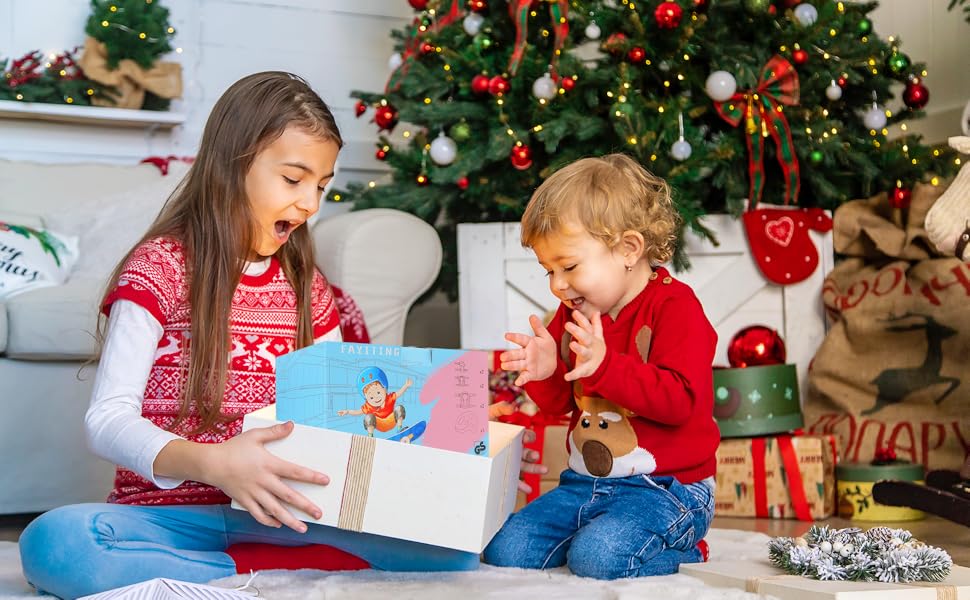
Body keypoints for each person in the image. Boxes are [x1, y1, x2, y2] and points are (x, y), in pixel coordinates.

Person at [18, 72, 479, 600]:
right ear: (231, 167)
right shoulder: (158, 271)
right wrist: (212, 463)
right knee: (60, 544)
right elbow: (106, 421)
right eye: (293, 179)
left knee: (454, 550)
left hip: (280, 516)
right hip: (167, 516)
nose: (310, 204)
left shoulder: (312, 293)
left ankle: (240, 571)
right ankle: (272, 574)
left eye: (322, 185)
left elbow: (338, 427)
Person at [482, 154, 720, 580]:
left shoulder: (676, 309)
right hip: (585, 483)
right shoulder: (572, 312)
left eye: (569, 267)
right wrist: (545, 372)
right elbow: (559, 407)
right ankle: (600, 533)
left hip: (668, 489)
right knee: (505, 550)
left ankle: (685, 550)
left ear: (629, 249)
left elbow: (680, 402)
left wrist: (607, 366)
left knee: (598, 559)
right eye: (548, 271)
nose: (557, 284)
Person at [337, 367, 411, 436]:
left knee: (399, 408)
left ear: (385, 389)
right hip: (379, 424)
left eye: (378, 393)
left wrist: (406, 386)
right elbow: (358, 412)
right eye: (371, 397)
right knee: (369, 417)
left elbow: (399, 393)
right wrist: (347, 412)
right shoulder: (368, 406)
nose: (376, 398)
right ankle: (370, 436)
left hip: (392, 420)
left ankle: (400, 429)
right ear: (366, 398)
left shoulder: (389, 398)